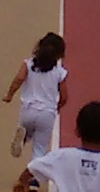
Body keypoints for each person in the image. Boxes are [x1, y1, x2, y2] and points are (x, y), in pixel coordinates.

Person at [4, 28, 66, 161]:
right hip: (47, 113)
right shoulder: (59, 72)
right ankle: (34, 171)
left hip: (27, 109)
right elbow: (64, 96)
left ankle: (24, 137)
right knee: (39, 149)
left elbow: (19, 79)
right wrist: (58, 106)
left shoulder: (28, 64)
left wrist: (9, 95)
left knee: (28, 126)